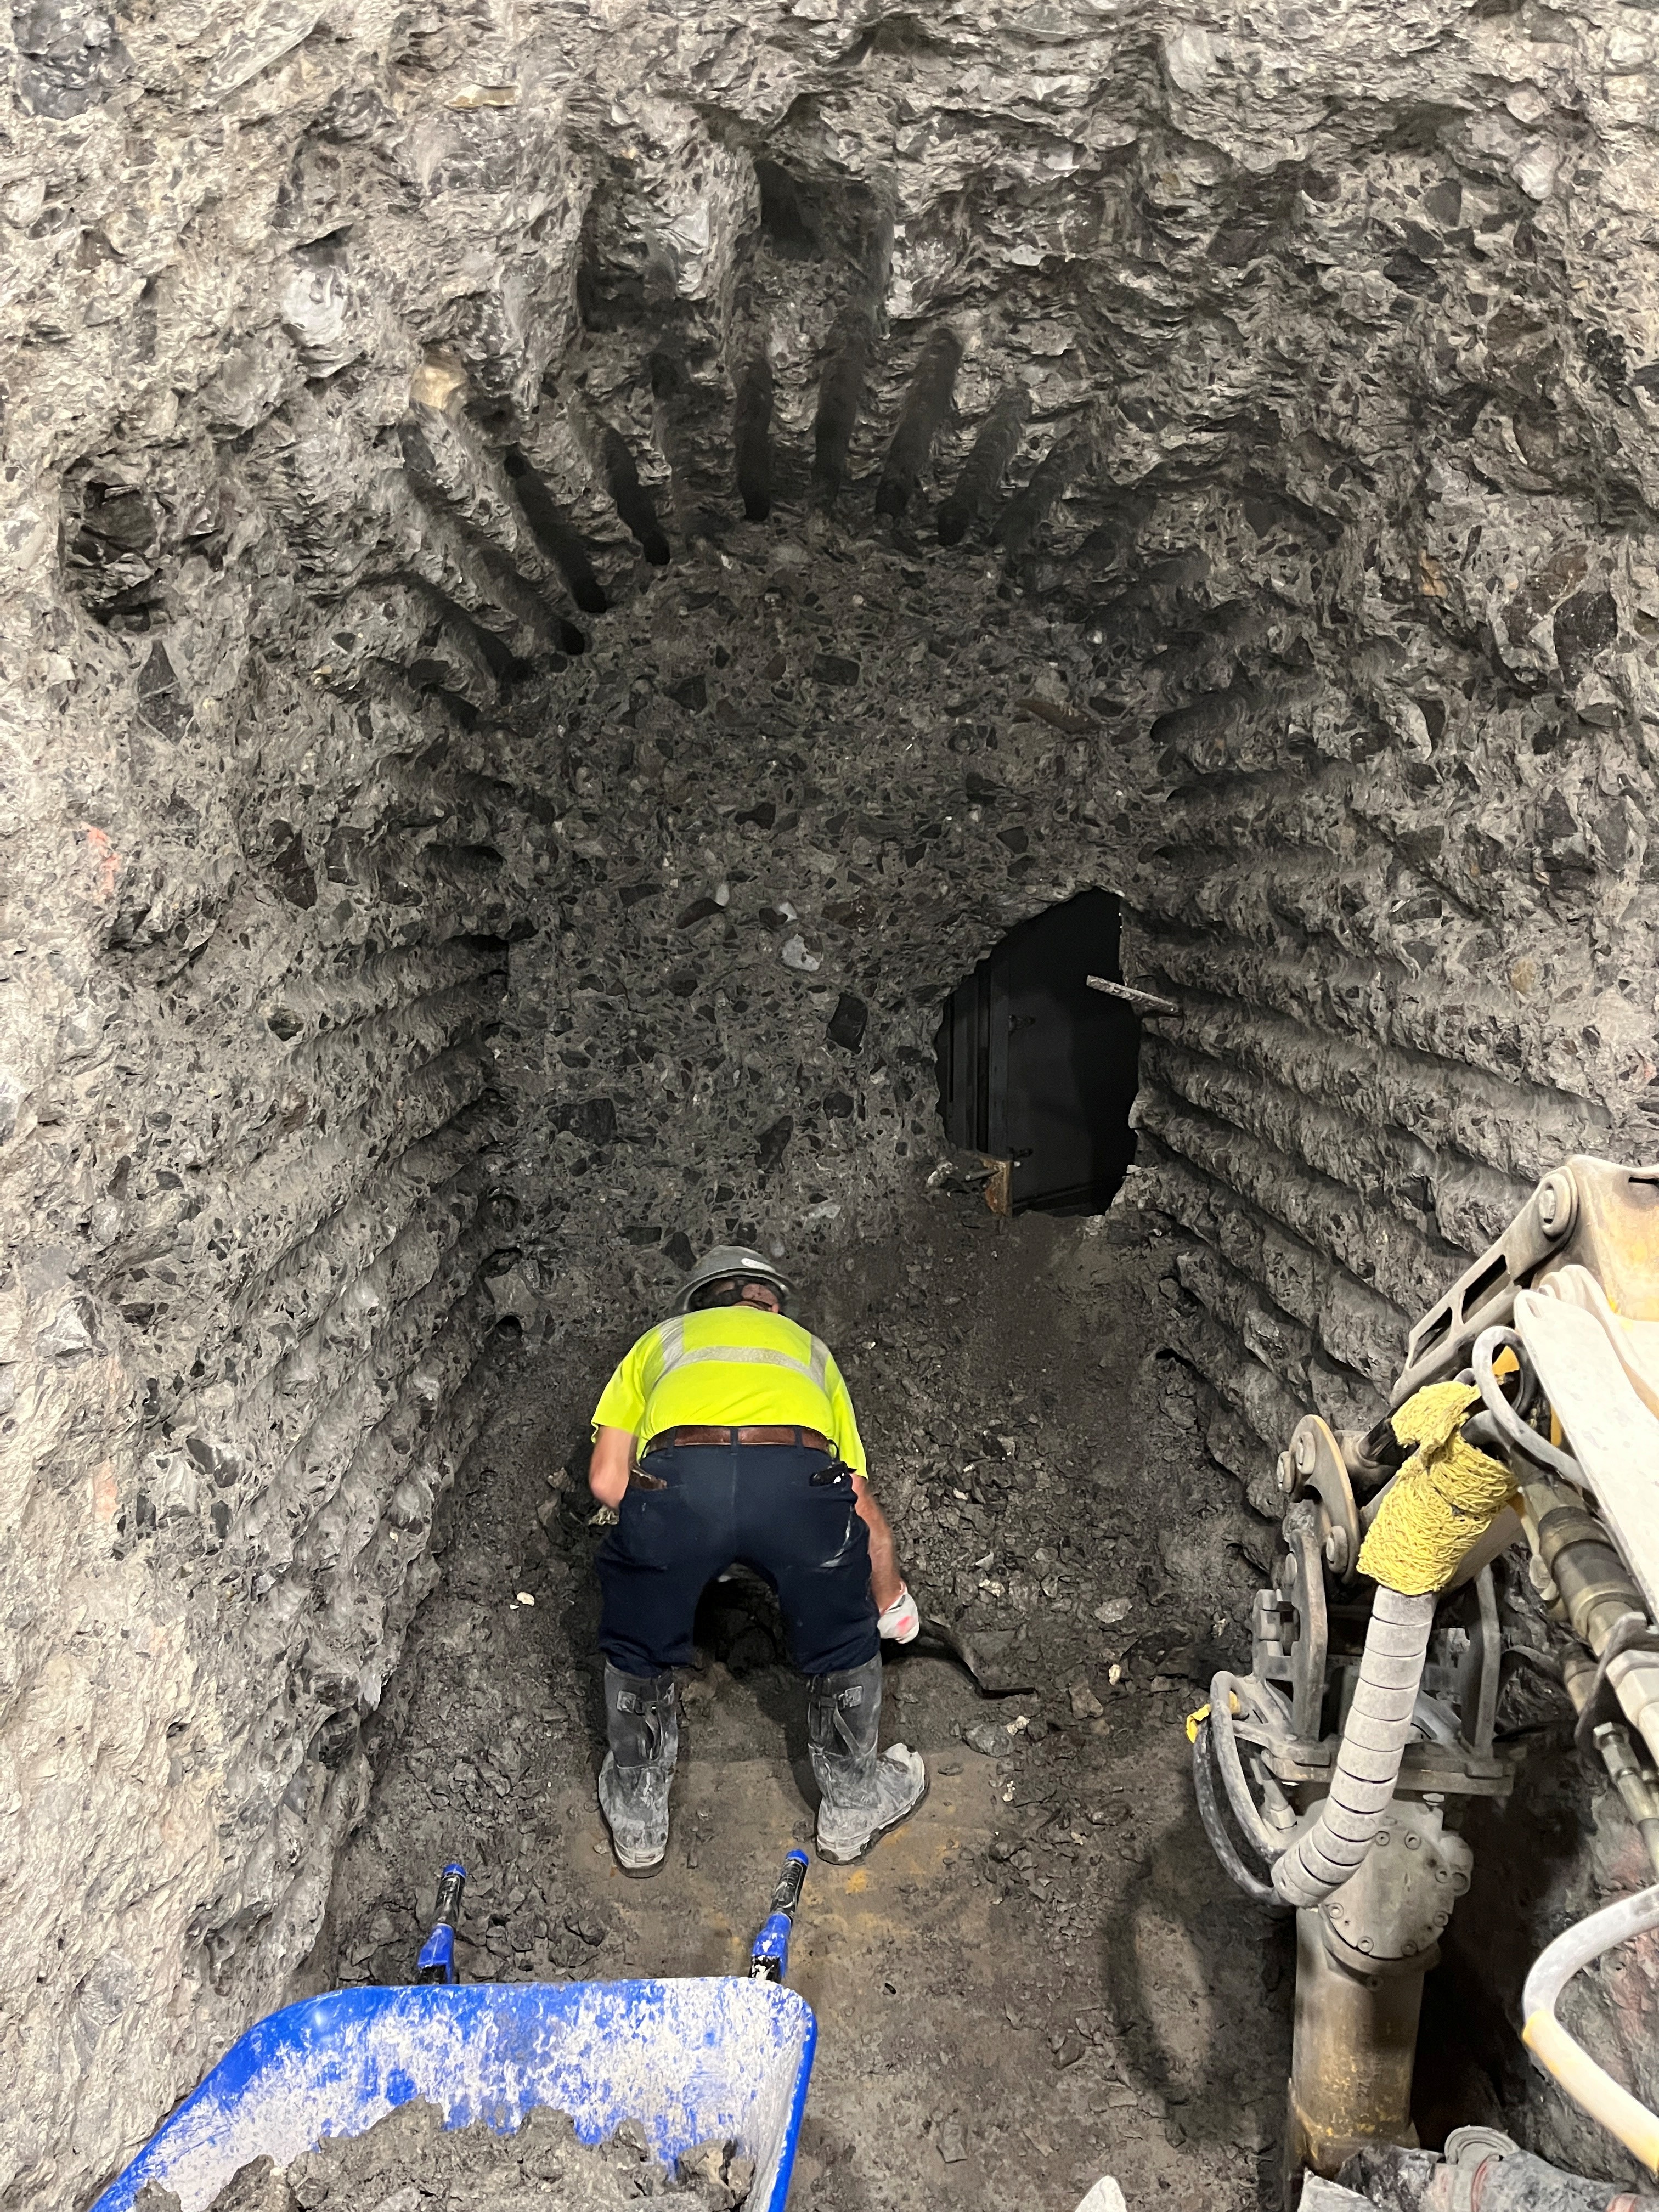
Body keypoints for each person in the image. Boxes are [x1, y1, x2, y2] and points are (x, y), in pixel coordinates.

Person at [586, 1245, 924, 1875]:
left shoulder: (660, 1342)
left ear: (699, 1302)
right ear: (771, 1304)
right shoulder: (811, 1351)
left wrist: (679, 1536)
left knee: (637, 1644)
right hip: (797, 1485)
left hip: (680, 1483)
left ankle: (639, 1820)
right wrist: (888, 1597)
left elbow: (607, 1482)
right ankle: (853, 1808)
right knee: (843, 1640)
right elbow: (855, 1496)